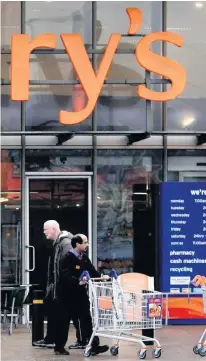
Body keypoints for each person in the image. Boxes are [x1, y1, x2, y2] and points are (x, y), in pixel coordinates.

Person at [54, 233, 109, 356]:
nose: (87, 244)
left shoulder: (84, 258)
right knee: (64, 321)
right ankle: (59, 347)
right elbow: (64, 275)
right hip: (66, 294)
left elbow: (92, 271)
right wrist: (78, 281)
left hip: (80, 294)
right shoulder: (67, 257)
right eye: (85, 242)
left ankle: (93, 345)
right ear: (77, 244)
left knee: (86, 318)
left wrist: (101, 277)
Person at [33, 220, 82, 349]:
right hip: (60, 286)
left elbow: (67, 266)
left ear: (54, 229)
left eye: (46, 229)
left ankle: (83, 341)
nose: (43, 232)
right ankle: (53, 340)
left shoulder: (65, 243)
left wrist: (63, 283)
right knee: (59, 313)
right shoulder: (59, 243)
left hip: (65, 287)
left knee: (71, 314)